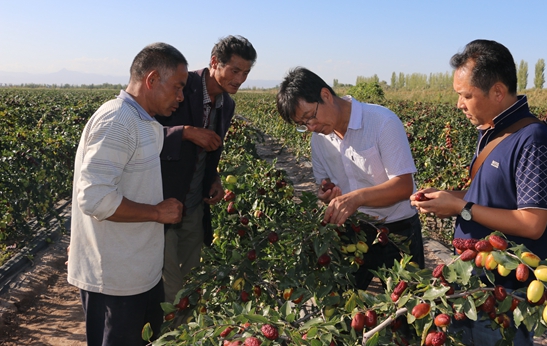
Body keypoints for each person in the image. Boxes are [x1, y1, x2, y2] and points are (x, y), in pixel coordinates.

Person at [411, 39, 547, 345]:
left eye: (466, 95)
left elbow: (532, 223)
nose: (459, 104)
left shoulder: (534, 139)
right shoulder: (491, 132)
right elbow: (489, 194)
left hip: (504, 292)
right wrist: (449, 195)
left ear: (497, 92)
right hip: (473, 281)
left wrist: (460, 208)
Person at [67, 42, 187, 345]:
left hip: (139, 273)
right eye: (177, 87)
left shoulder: (144, 122)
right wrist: (157, 213)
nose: (181, 97)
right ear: (152, 80)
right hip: (115, 282)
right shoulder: (118, 121)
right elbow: (95, 198)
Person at [276, 67, 424, 290]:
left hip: (398, 231)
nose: (311, 127)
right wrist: (326, 193)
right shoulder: (319, 140)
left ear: (325, 96)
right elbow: (324, 184)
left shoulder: (381, 122)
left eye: (310, 117)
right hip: (353, 231)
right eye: (303, 125)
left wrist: (356, 198)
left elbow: (404, 187)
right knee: (344, 310)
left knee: (407, 311)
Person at [157, 35, 257, 302]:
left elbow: (208, 151)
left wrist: (213, 177)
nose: (240, 79)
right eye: (234, 70)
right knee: (171, 289)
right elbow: (139, 133)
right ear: (214, 62)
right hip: (161, 204)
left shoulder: (227, 104)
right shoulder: (181, 85)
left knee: (193, 282)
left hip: (193, 206)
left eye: (245, 73)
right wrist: (185, 133)